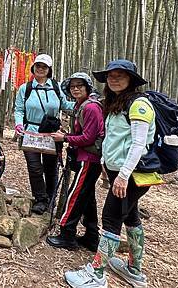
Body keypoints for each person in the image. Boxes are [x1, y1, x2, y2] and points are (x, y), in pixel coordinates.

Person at [65, 60, 156, 288]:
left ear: (131, 80)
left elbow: (138, 143)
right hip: (122, 174)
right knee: (131, 217)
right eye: (110, 76)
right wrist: (107, 163)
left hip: (133, 175)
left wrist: (124, 174)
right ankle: (134, 270)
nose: (114, 79)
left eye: (120, 75)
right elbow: (115, 139)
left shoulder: (138, 104)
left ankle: (97, 273)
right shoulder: (115, 103)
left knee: (111, 218)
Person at [46, 72, 104, 252]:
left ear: (87, 87)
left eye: (80, 85)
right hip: (85, 158)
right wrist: (69, 136)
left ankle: (67, 235)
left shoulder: (91, 108)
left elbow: (88, 137)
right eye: (73, 87)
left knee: (76, 196)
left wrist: (65, 138)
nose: (76, 89)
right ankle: (92, 236)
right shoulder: (80, 106)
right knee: (87, 199)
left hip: (89, 159)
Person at [13, 53, 75, 215]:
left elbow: (66, 105)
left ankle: (51, 197)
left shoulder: (56, 87)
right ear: (33, 68)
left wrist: (84, 102)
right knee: (34, 168)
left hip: (51, 134)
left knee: (50, 168)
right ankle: (40, 199)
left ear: (49, 70)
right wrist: (19, 124)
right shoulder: (25, 88)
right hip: (30, 132)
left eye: (44, 67)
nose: (40, 69)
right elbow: (19, 109)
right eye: (38, 66)